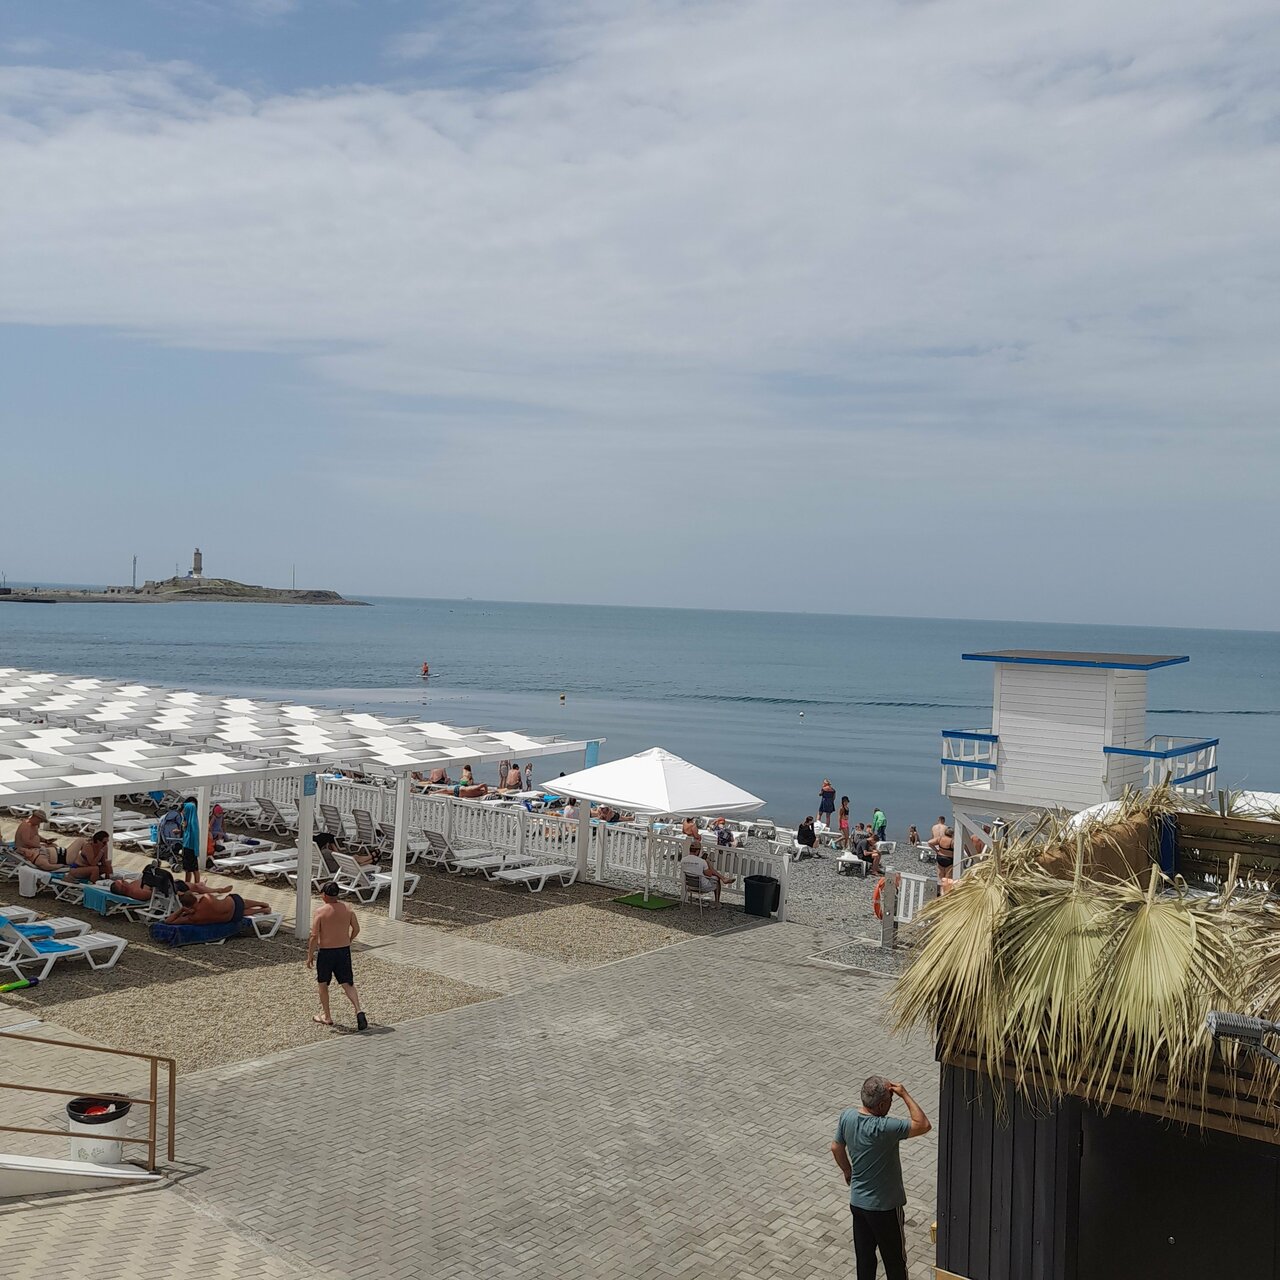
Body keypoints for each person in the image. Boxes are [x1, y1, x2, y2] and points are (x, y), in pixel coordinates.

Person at [831, 1076, 931, 1280]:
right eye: (890, 1101)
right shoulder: (885, 1128)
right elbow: (923, 1124)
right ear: (882, 1105)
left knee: (865, 1261)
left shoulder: (847, 1116)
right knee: (895, 1263)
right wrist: (904, 1094)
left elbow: (836, 1147)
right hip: (885, 1209)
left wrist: (847, 1171)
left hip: (858, 1204)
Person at [308, 882, 367, 1031]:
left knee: (323, 984)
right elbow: (356, 928)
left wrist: (310, 955)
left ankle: (327, 1016)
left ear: (324, 895)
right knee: (347, 983)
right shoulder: (348, 909)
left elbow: (314, 936)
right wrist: (349, 939)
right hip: (343, 950)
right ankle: (358, 1010)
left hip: (326, 952)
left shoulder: (320, 912)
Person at [164, 890, 240, 926]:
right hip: (233, 902)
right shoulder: (207, 898)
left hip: (232, 917)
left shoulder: (193, 917)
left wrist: (182, 910)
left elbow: (168, 921)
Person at [179, 795, 203, 885]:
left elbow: (193, 836)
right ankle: (188, 884)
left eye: (185, 810)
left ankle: (197, 885)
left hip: (190, 847)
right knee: (188, 869)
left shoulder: (192, 823)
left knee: (194, 869)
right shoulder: (189, 820)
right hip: (187, 845)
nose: (183, 812)